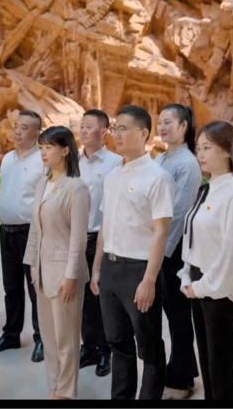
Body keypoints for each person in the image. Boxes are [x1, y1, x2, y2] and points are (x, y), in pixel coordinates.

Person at [91, 105, 175, 400]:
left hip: (139, 270)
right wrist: (97, 268)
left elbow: (161, 232)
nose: (116, 134)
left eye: (123, 129)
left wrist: (149, 279)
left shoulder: (158, 177)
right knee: (118, 343)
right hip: (111, 268)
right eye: (115, 129)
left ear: (143, 133)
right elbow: (105, 226)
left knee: (148, 346)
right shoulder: (113, 176)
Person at [179, 120, 233, 400]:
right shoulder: (206, 188)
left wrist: (201, 286)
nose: (200, 154)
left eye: (207, 147)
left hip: (221, 292)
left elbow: (231, 255)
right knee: (209, 367)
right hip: (199, 285)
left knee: (221, 371)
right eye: (198, 148)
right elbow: (192, 237)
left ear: (227, 150)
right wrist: (186, 276)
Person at [23, 126, 90, 399]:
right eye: (41, 147)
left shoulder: (76, 188)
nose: (43, 152)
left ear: (65, 150)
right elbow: (35, 229)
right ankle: (54, 387)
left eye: (49, 147)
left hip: (64, 273)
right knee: (48, 338)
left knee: (66, 339)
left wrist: (71, 276)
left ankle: (66, 392)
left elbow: (78, 238)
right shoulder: (43, 183)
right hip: (42, 271)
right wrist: (32, 265)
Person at [0, 110, 44, 362]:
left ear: (37, 133)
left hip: (30, 231)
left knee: (35, 287)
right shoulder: (8, 158)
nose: (17, 131)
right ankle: (11, 334)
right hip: (6, 230)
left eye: (24, 127)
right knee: (11, 286)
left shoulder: (42, 160)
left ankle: (42, 338)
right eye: (16, 126)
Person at [155, 104, 201, 399]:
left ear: (184, 126)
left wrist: (162, 252)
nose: (162, 127)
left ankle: (182, 379)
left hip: (175, 251)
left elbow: (180, 213)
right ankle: (183, 368)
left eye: (168, 122)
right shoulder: (161, 157)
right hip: (159, 247)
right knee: (171, 314)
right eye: (160, 122)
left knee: (179, 316)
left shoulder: (188, 163)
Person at [77, 109, 122, 377]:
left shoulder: (115, 163)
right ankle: (89, 346)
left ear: (104, 131)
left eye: (89, 126)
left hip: (101, 237)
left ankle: (106, 350)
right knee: (81, 297)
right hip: (76, 237)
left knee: (100, 296)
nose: (83, 131)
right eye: (82, 126)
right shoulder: (73, 161)